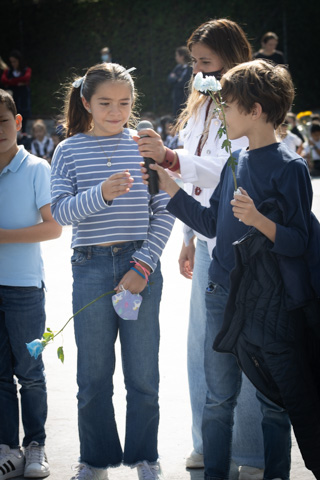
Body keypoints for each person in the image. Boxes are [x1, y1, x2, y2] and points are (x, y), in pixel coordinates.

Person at [142, 58, 315, 480]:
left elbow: (300, 243)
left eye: (228, 106)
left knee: (274, 403)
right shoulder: (234, 164)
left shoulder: (291, 169)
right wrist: (170, 187)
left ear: (255, 110)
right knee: (218, 399)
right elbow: (208, 224)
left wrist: (259, 221)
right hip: (221, 292)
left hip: (270, 304)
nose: (221, 115)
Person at [134, 18, 265, 479]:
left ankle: (251, 453)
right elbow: (194, 186)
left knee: (246, 347)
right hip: (207, 238)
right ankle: (207, 443)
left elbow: (224, 173)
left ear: (231, 60)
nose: (198, 71)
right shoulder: (198, 108)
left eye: (205, 62)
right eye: (194, 62)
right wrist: (189, 238)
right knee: (202, 348)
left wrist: (168, 158)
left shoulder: (248, 105)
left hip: (246, 242)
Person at [50, 62, 175, 480]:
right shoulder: (67, 150)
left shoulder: (144, 145)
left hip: (140, 266)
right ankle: (96, 460)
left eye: (124, 103)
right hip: (90, 267)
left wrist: (143, 265)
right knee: (93, 376)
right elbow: (63, 213)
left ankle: (145, 457)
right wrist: (100, 194)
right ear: (86, 102)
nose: (116, 111)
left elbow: (165, 209)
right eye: (105, 102)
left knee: (143, 375)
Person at [0, 89, 62, 479]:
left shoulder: (38, 168)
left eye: (2, 122)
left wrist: (2, 235)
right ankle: (7, 447)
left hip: (24, 288)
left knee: (31, 371)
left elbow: (53, 227)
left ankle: (35, 445)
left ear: (18, 123)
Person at [1, 50, 32, 132]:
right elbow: (4, 80)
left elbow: (26, 78)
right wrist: (18, 82)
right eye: (11, 62)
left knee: (23, 115)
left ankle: (23, 132)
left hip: (23, 99)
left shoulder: (26, 70)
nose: (13, 64)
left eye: (14, 62)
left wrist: (11, 82)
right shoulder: (8, 71)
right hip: (13, 98)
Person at [167, 46, 193, 118]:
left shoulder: (190, 68)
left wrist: (176, 79)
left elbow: (184, 83)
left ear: (182, 56)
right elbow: (169, 79)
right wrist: (177, 80)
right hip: (176, 98)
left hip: (185, 98)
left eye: (177, 55)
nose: (176, 57)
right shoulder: (178, 67)